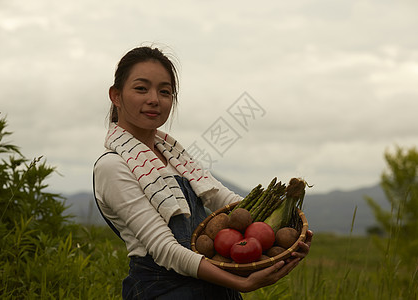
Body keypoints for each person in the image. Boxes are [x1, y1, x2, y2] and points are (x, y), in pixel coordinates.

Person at [93, 46, 313, 300]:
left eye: (164, 91)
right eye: (141, 88)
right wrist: (241, 283)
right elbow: (164, 249)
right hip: (165, 290)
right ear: (116, 96)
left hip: (217, 287)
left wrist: (286, 234)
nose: (154, 99)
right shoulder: (113, 166)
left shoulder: (175, 156)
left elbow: (225, 201)